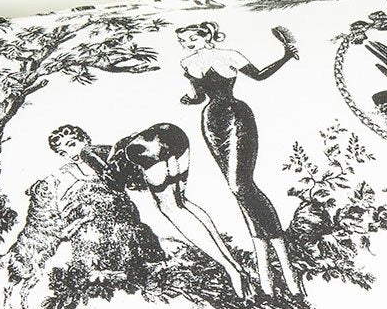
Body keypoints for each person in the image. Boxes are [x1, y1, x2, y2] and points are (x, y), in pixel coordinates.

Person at [48, 124, 250, 299]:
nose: (71, 154)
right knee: (183, 203)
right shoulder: (105, 150)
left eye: (72, 144)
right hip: (171, 135)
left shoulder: (88, 153)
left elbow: (114, 183)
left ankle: (231, 269)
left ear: (85, 139)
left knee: (171, 208)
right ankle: (233, 264)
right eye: (63, 152)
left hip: (147, 148)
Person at [177, 22, 300, 296]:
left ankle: (284, 261)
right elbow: (199, 97)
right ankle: (267, 275)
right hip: (211, 122)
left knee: (240, 185)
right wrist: (189, 100)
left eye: (192, 37)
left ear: (206, 36)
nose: (187, 44)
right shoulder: (187, 63)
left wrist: (286, 56)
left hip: (237, 116)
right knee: (239, 191)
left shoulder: (230, 55)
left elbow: (259, 76)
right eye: (182, 40)